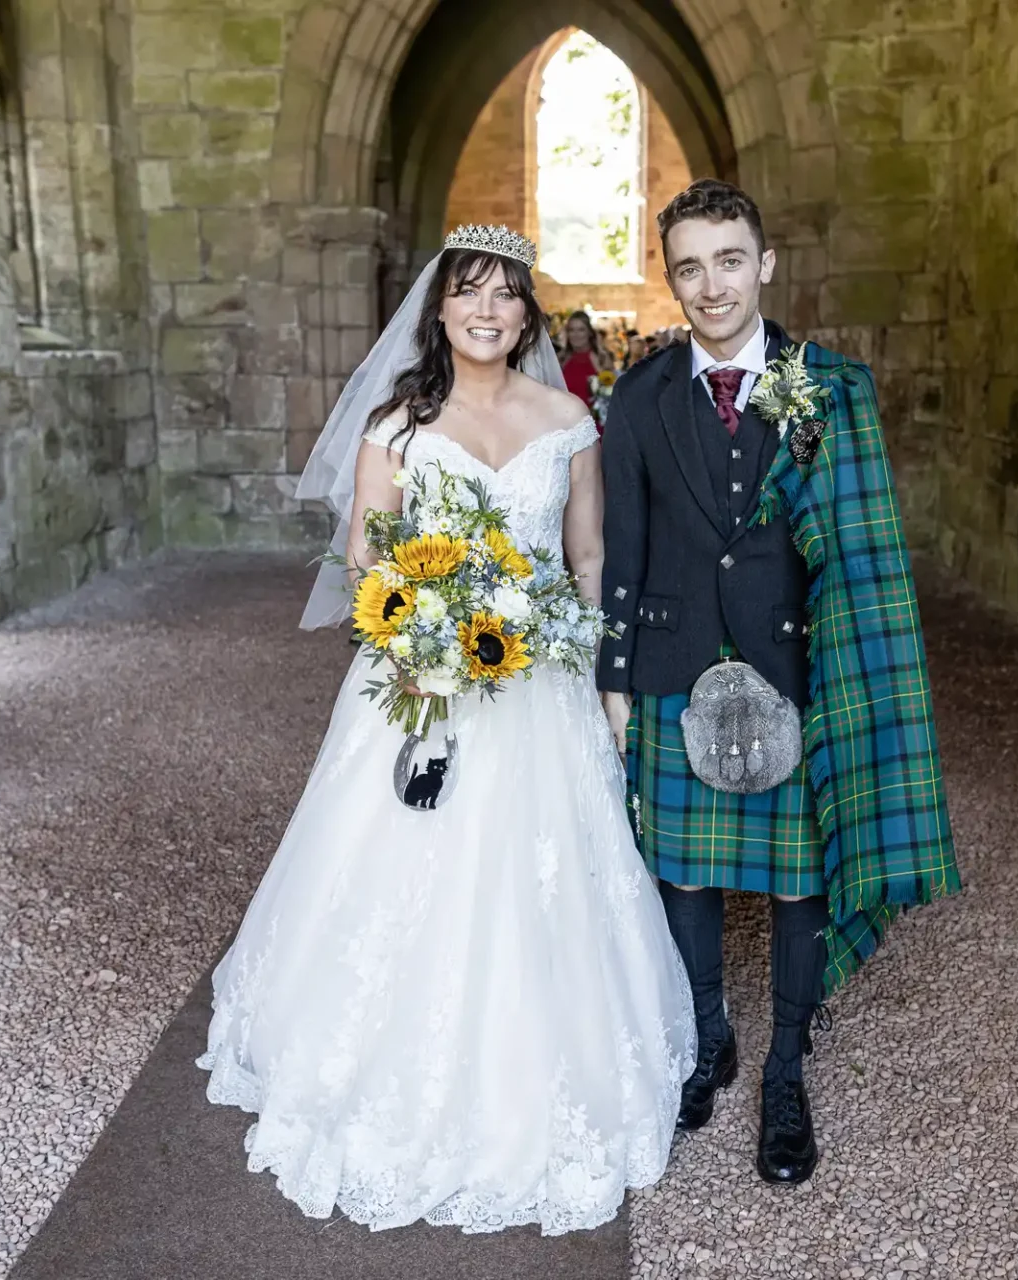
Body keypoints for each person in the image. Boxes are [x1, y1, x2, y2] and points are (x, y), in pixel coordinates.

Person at [198, 224, 694, 1235]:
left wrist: (606, 686)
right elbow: (369, 565)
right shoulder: (398, 425)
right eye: (468, 291)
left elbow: (586, 557)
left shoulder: (568, 419)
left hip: (541, 692)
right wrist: (420, 639)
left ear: (527, 316)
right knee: (399, 877)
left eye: (507, 295)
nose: (487, 309)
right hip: (425, 690)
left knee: (544, 881)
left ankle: (548, 1079)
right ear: (439, 309)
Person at [597, 179, 958, 1184]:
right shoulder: (641, 393)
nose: (709, 284)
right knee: (685, 871)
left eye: (726, 260)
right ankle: (707, 1036)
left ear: (764, 265)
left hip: (798, 667)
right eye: (687, 266)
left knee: (804, 877)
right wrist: (614, 679)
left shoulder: (831, 386)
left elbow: (859, 547)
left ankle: (788, 1062)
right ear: (669, 279)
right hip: (673, 666)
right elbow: (623, 544)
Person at [559, 309, 611, 409]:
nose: (576, 334)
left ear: (590, 333)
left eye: (581, 330)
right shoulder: (561, 358)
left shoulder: (602, 358)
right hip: (566, 418)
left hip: (595, 420)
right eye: (571, 330)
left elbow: (609, 393)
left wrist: (598, 369)